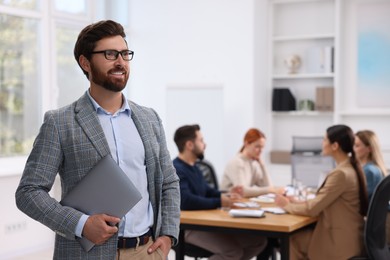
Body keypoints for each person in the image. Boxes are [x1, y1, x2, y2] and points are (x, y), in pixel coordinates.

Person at [15, 20, 180, 260]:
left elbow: (169, 182)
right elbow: (28, 192)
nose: (121, 62)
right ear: (85, 62)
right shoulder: (60, 122)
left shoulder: (149, 119)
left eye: (125, 54)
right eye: (110, 54)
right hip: (87, 254)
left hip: (148, 251)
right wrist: (81, 224)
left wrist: (167, 235)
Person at [173, 124, 267, 260]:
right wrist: (221, 201)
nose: (204, 144)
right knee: (233, 252)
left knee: (258, 241)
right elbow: (186, 201)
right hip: (188, 228)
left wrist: (226, 195)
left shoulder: (195, 167)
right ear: (189, 145)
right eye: (201, 140)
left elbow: (207, 191)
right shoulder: (177, 169)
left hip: (204, 222)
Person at [275, 124, 368, 260]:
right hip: (350, 236)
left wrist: (286, 205)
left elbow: (313, 209)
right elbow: (323, 201)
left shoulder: (340, 174)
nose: (322, 143)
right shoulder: (351, 168)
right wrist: (297, 201)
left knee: (292, 240)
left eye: (324, 140)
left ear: (335, 146)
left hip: (340, 242)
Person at [220, 128, 282, 197]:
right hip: (229, 205)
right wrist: (270, 190)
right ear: (246, 143)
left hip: (243, 203)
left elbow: (268, 186)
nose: (261, 150)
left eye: (262, 147)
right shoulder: (236, 163)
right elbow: (243, 192)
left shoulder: (253, 164)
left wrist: (262, 165)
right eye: (257, 146)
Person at [354, 130, 388, 201]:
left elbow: (359, 199)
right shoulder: (373, 168)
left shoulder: (369, 171)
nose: (353, 149)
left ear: (369, 149)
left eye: (357, 145)